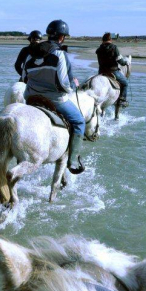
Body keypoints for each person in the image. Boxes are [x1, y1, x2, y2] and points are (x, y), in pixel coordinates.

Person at [23, 19, 85, 174]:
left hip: (31, 97)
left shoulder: (30, 53)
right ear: (62, 37)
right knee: (79, 122)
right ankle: (72, 161)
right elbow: (64, 82)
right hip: (55, 99)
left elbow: (24, 77)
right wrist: (72, 88)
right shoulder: (59, 54)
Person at [96, 32, 130, 107]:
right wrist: (125, 63)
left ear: (103, 40)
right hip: (112, 71)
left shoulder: (99, 49)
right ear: (110, 39)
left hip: (101, 72)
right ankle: (122, 100)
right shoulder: (113, 47)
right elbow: (119, 60)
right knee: (125, 83)